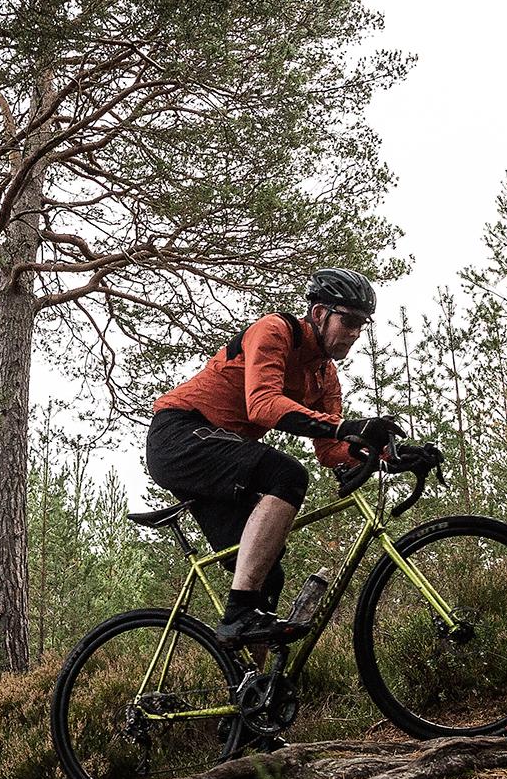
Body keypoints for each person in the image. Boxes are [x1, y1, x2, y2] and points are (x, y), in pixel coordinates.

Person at [144, 267, 431, 646]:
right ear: (318, 314)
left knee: (266, 572)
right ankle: (238, 616)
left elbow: (332, 452)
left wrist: (387, 457)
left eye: (363, 325)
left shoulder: (325, 378)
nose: (355, 333)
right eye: (348, 321)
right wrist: (346, 427)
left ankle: (250, 693)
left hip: (219, 454)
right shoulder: (276, 331)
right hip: (179, 434)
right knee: (287, 475)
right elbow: (262, 405)